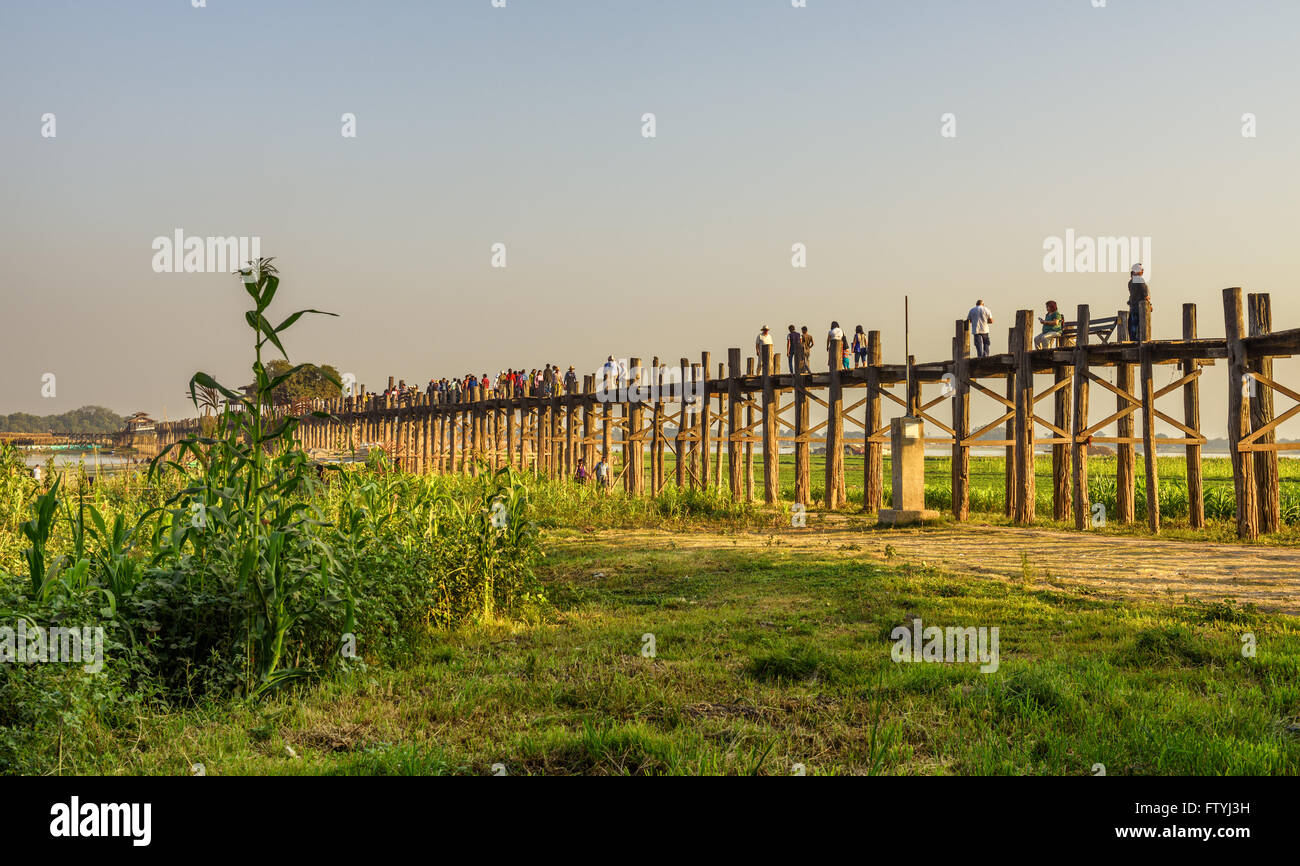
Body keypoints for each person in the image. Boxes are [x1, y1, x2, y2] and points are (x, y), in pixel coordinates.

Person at [1128, 263, 1151, 341]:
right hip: (1139, 308)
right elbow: (1144, 293)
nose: (1143, 271)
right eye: (1142, 270)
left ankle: (1133, 340)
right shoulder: (1139, 279)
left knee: (1133, 327)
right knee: (1140, 326)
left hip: (1133, 307)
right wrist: (1149, 304)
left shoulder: (1130, 282)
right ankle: (1138, 340)